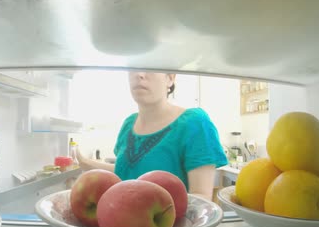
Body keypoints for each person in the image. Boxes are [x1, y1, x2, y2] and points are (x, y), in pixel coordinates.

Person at [75, 71, 227, 201]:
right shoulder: (128, 124)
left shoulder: (195, 123)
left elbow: (201, 196)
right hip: (123, 224)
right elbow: (127, 171)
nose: (139, 75)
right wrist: (86, 163)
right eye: (134, 68)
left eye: (150, 68)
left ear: (170, 78)